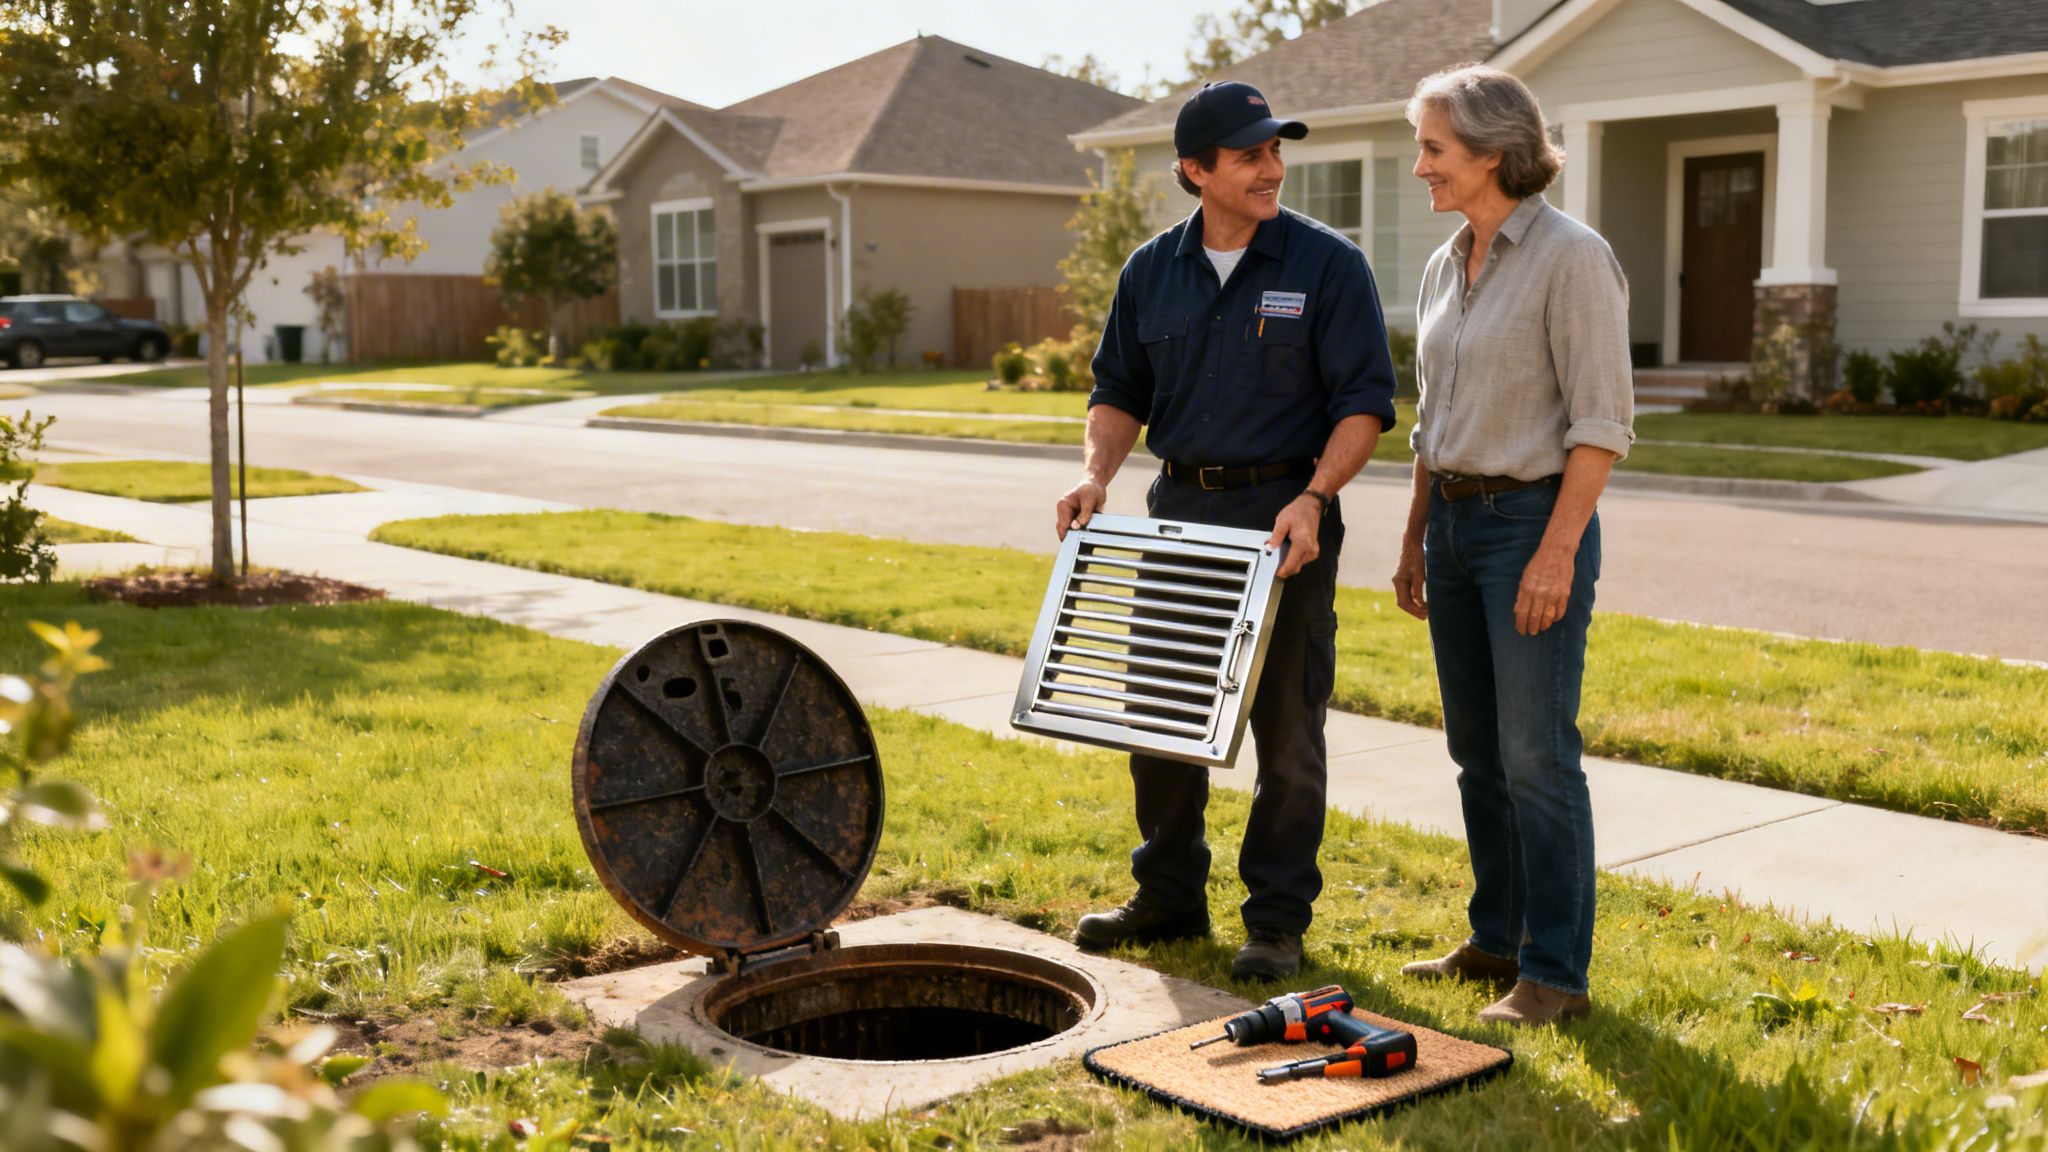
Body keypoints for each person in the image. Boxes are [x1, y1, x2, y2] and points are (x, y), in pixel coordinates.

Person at [1056, 80, 1399, 982]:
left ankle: (1277, 920)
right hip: (1179, 517)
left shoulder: (1326, 265)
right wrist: (1095, 474)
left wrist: (1317, 496)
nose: (1272, 169)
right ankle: (1168, 895)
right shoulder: (1149, 271)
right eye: (1249, 155)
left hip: (1286, 520)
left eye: (1276, 151)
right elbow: (1118, 392)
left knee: (1287, 729)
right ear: (1195, 170)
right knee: (1163, 716)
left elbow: (1364, 405)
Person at [1389, 64, 1635, 1025]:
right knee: (1477, 750)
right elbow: (1430, 421)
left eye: (1435, 150)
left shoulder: (1572, 258)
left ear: (1494, 153)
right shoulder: (1447, 262)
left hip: (1530, 526)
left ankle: (1556, 977)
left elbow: (1602, 424)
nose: (1421, 168)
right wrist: (1414, 537)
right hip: (1451, 525)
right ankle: (1496, 940)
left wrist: (1555, 551)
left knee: (1538, 754)